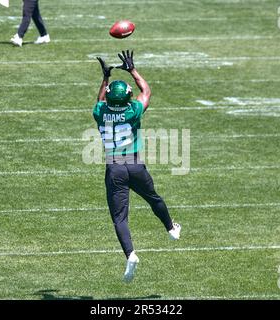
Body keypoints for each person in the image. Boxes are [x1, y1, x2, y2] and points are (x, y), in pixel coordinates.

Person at [93, 50, 181, 282]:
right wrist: (132, 69)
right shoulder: (133, 110)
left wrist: (105, 78)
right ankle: (171, 228)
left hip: (115, 169)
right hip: (135, 165)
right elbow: (147, 91)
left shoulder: (100, 112)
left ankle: (130, 254)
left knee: (120, 218)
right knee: (154, 198)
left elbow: (100, 101)